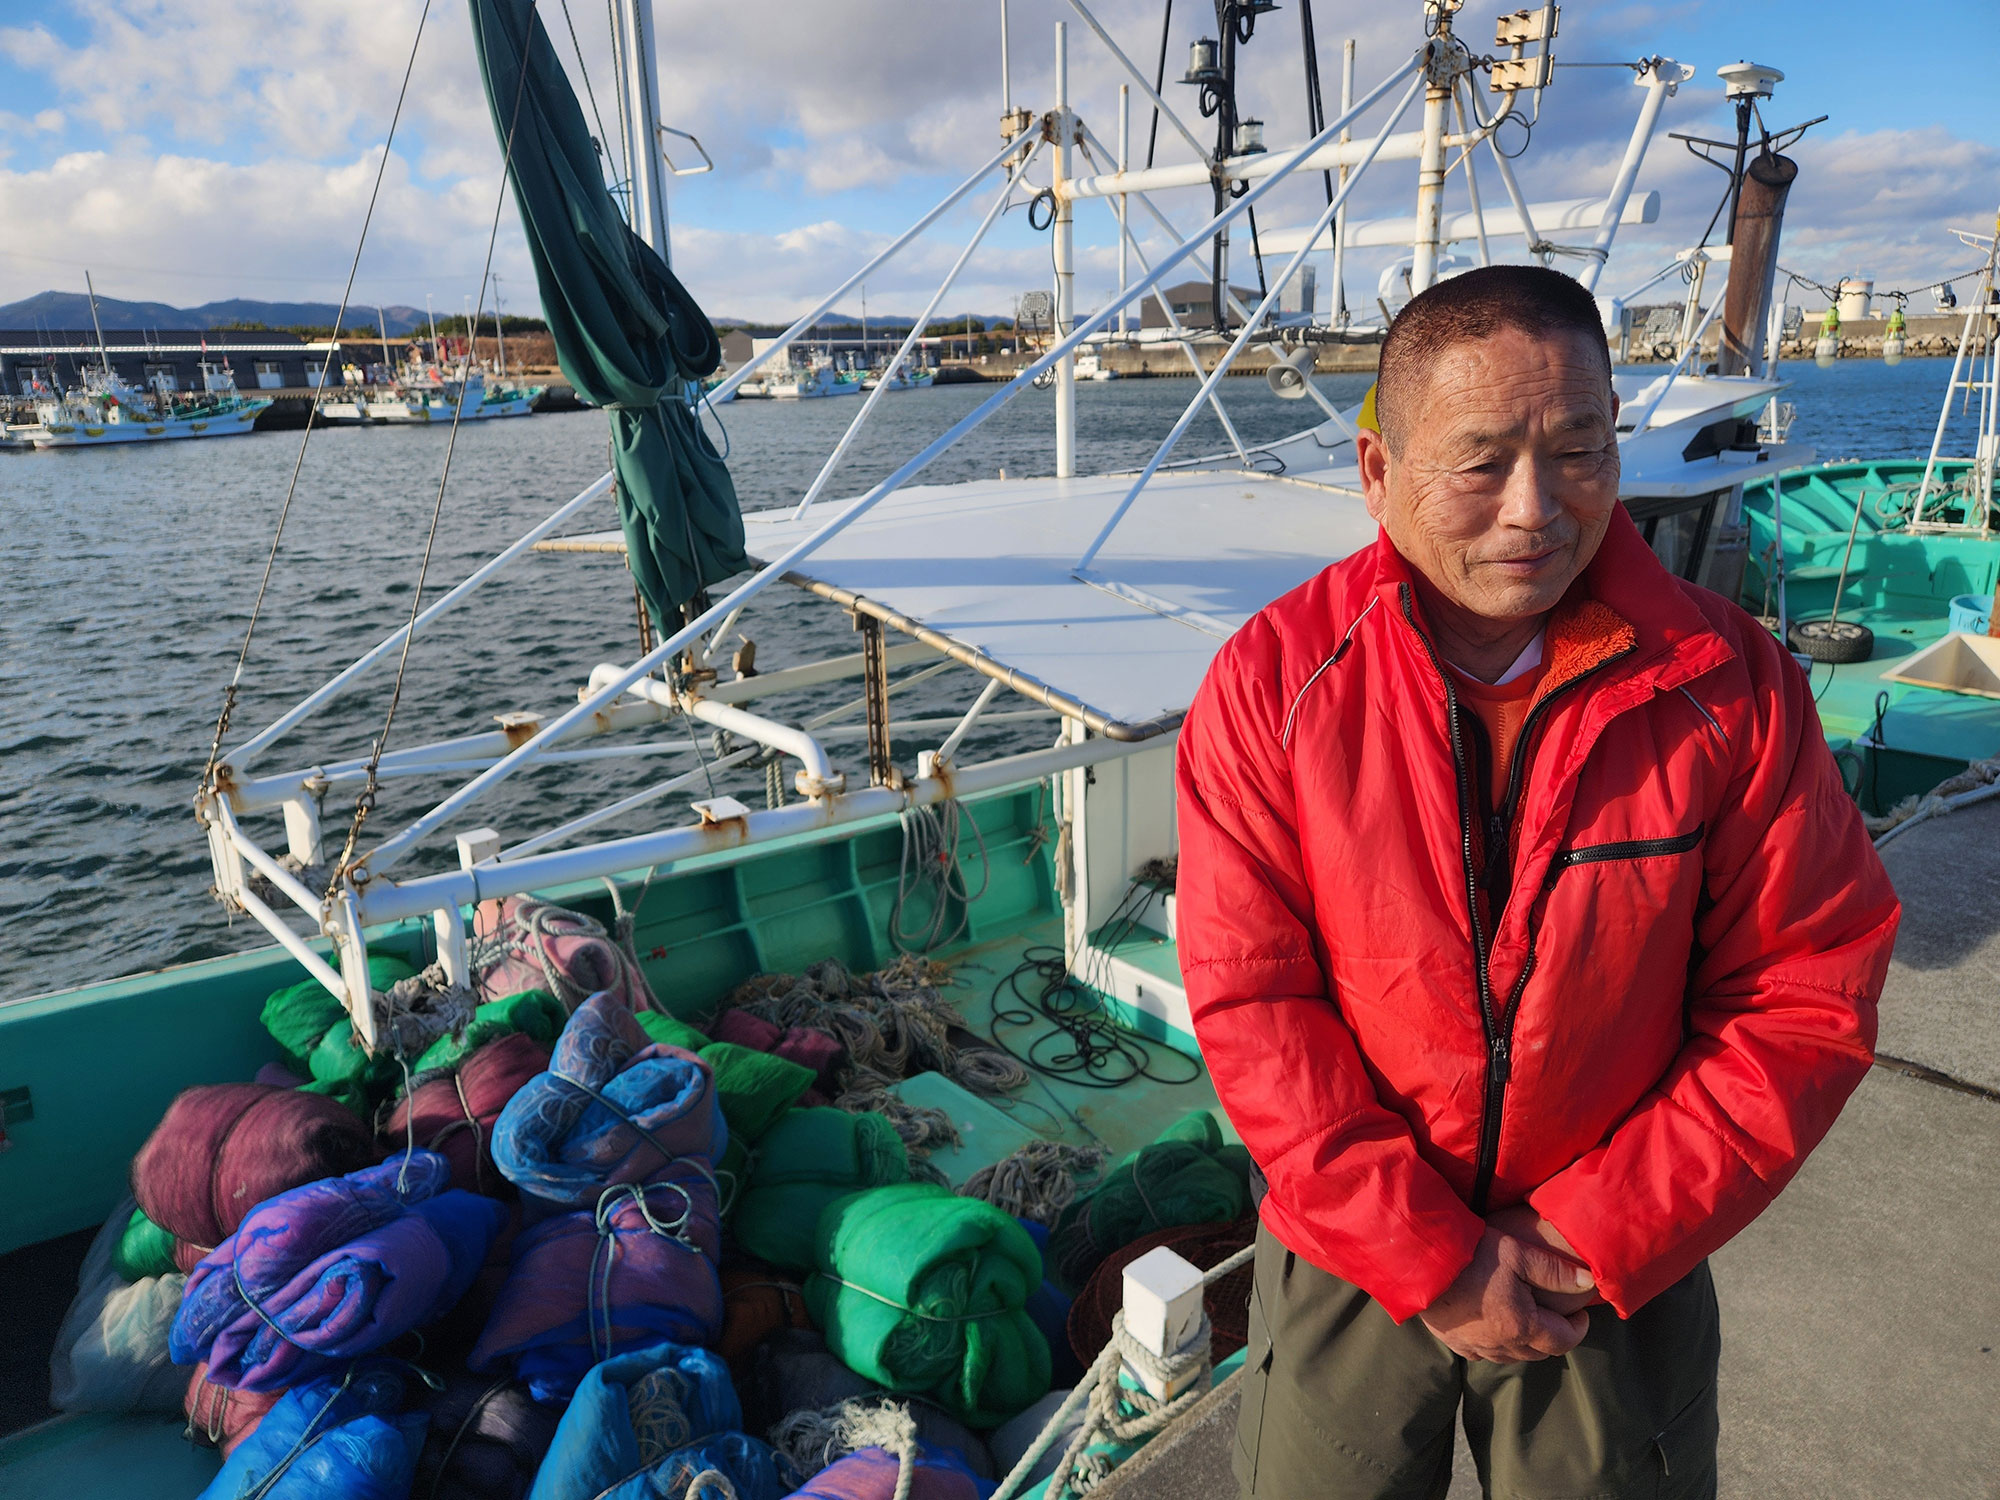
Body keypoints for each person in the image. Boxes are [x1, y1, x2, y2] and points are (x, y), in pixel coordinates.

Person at [1174, 264, 1899, 1499]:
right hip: (1350, 1252)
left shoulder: (1729, 686)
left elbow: (1804, 987)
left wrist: (1593, 1229)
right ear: (1376, 473)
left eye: (1579, 449)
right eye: (1478, 460)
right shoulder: (1270, 685)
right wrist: (1428, 1254)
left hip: (1613, 1264)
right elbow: (1254, 1007)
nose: (1535, 510)